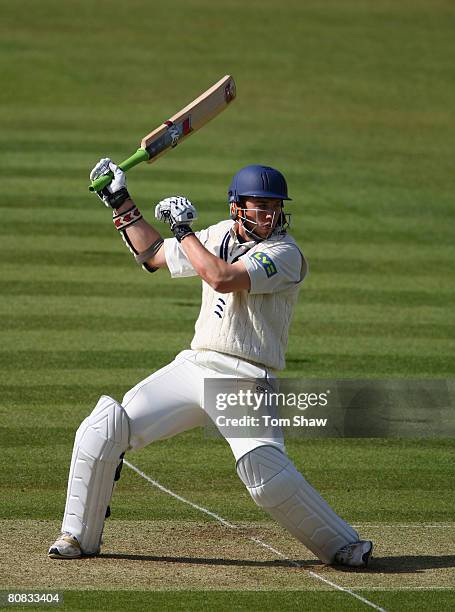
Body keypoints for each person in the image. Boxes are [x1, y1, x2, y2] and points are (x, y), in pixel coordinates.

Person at [48, 160, 373, 567]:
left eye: (274, 207)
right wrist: (121, 201)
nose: (269, 215)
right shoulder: (217, 233)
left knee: (264, 474)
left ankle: (342, 545)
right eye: (260, 206)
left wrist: (182, 229)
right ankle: (77, 536)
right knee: (104, 427)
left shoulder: (285, 254)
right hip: (196, 365)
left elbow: (221, 277)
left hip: (246, 378)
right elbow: (152, 254)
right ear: (237, 207)